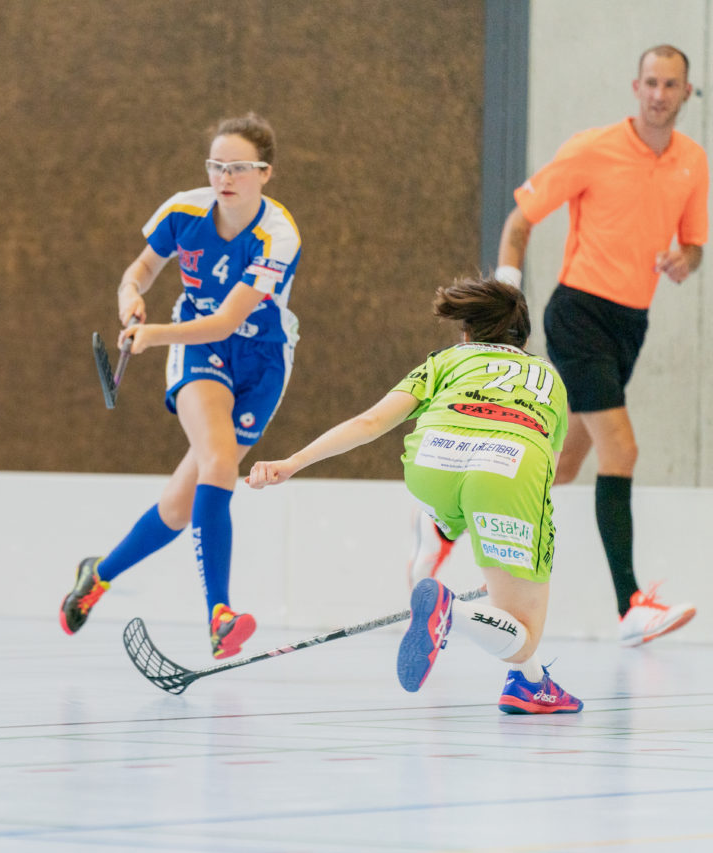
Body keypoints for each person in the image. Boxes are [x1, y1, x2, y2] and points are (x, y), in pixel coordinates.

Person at [248, 277, 582, 714]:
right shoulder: (550, 379)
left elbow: (370, 422)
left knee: (489, 560)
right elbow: (547, 471)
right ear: (523, 336)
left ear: (468, 333)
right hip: (508, 469)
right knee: (521, 634)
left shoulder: (448, 359)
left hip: (432, 466)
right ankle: (452, 611)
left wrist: (292, 462)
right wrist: (513, 556)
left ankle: (530, 686)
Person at [59, 113, 301, 659]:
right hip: (199, 352)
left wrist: (151, 335)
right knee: (219, 466)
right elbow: (139, 271)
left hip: (261, 361)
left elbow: (228, 317)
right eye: (217, 165)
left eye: (239, 167)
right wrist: (130, 299)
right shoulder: (183, 210)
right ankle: (220, 614)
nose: (225, 177)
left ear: (266, 173)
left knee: (178, 504)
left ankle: (99, 574)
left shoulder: (278, 236)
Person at [491, 44, 703, 647]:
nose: (660, 94)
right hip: (579, 312)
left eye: (672, 85)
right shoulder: (593, 148)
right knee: (623, 451)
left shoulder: (693, 161)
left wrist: (684, 260)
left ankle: (450, 529)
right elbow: (519, 222)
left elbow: (693, 245)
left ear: (687, 93)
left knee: (566, 464)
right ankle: (629, 605)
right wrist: (507, 303)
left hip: (631, 325)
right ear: (635, 87)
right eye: (651, 83)